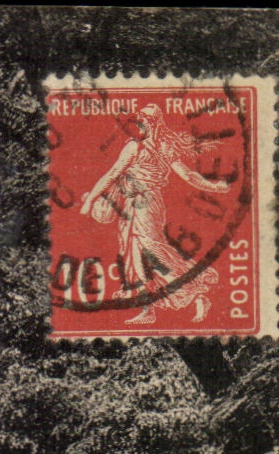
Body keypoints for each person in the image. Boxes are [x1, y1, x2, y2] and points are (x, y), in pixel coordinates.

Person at [79, 104, 231, 324]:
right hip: (133, 205)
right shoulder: (143, 146)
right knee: (135, 256)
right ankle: (148, 310)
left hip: (146, 205)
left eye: (142, 121)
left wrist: (214, 187)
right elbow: (112, 175)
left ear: (151, 124)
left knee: (151, 253)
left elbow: (187, 175)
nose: (138, 124)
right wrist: (91, 200)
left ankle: (195, 294)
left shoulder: (146, 147)